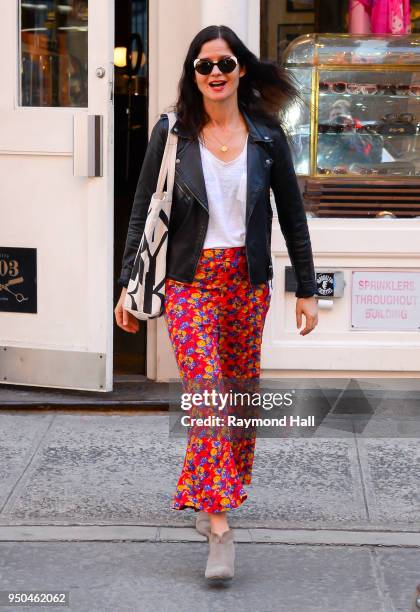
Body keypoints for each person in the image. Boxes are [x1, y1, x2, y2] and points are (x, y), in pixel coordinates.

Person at [115, 25, 318, 581]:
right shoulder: (173, 132)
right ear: (193, 73)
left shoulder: (267, 136)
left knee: (237, 396)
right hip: (189, 282)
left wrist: (306, 287)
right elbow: (142, 212)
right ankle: (221, 528)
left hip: (246, 284)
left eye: (225, 63)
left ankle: (213, 493)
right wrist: (129, 287)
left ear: (241, 69)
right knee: (207, 392)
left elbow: (292, 218)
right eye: (205, 65)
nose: (216, 74)